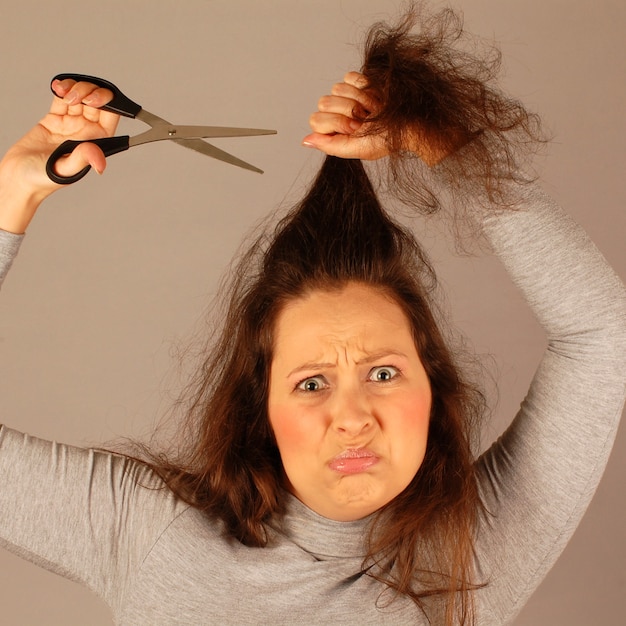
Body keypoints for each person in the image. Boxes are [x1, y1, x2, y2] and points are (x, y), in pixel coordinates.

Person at [1, 6, 625, 626]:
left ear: (432, 387)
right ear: (261, 407)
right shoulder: (145, 533)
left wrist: (444, 144)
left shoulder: (474, 551)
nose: (352, 419)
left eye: (383, 373)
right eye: (310, 382)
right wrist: (13, 190)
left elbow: (603, 335)